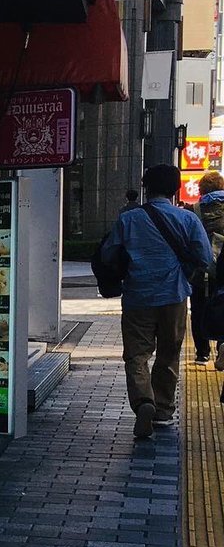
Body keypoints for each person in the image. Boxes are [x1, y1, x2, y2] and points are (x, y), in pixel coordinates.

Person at [100, 163, 213, 439]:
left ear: (146, 187)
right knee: (169, 353)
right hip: (174, 296)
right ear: (175, 189)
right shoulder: (188, 219)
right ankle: (162, 409)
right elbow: (205, 258)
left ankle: (143, 402)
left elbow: (108, 254)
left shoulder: (129, 219)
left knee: (136, 355)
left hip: (137, 296)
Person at [193, 170, 224, 367]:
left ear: (202, 189)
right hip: (223, 269)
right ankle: (222, 346)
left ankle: (202, 354)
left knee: (198, 309)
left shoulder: (195, 210)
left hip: (201, 269)